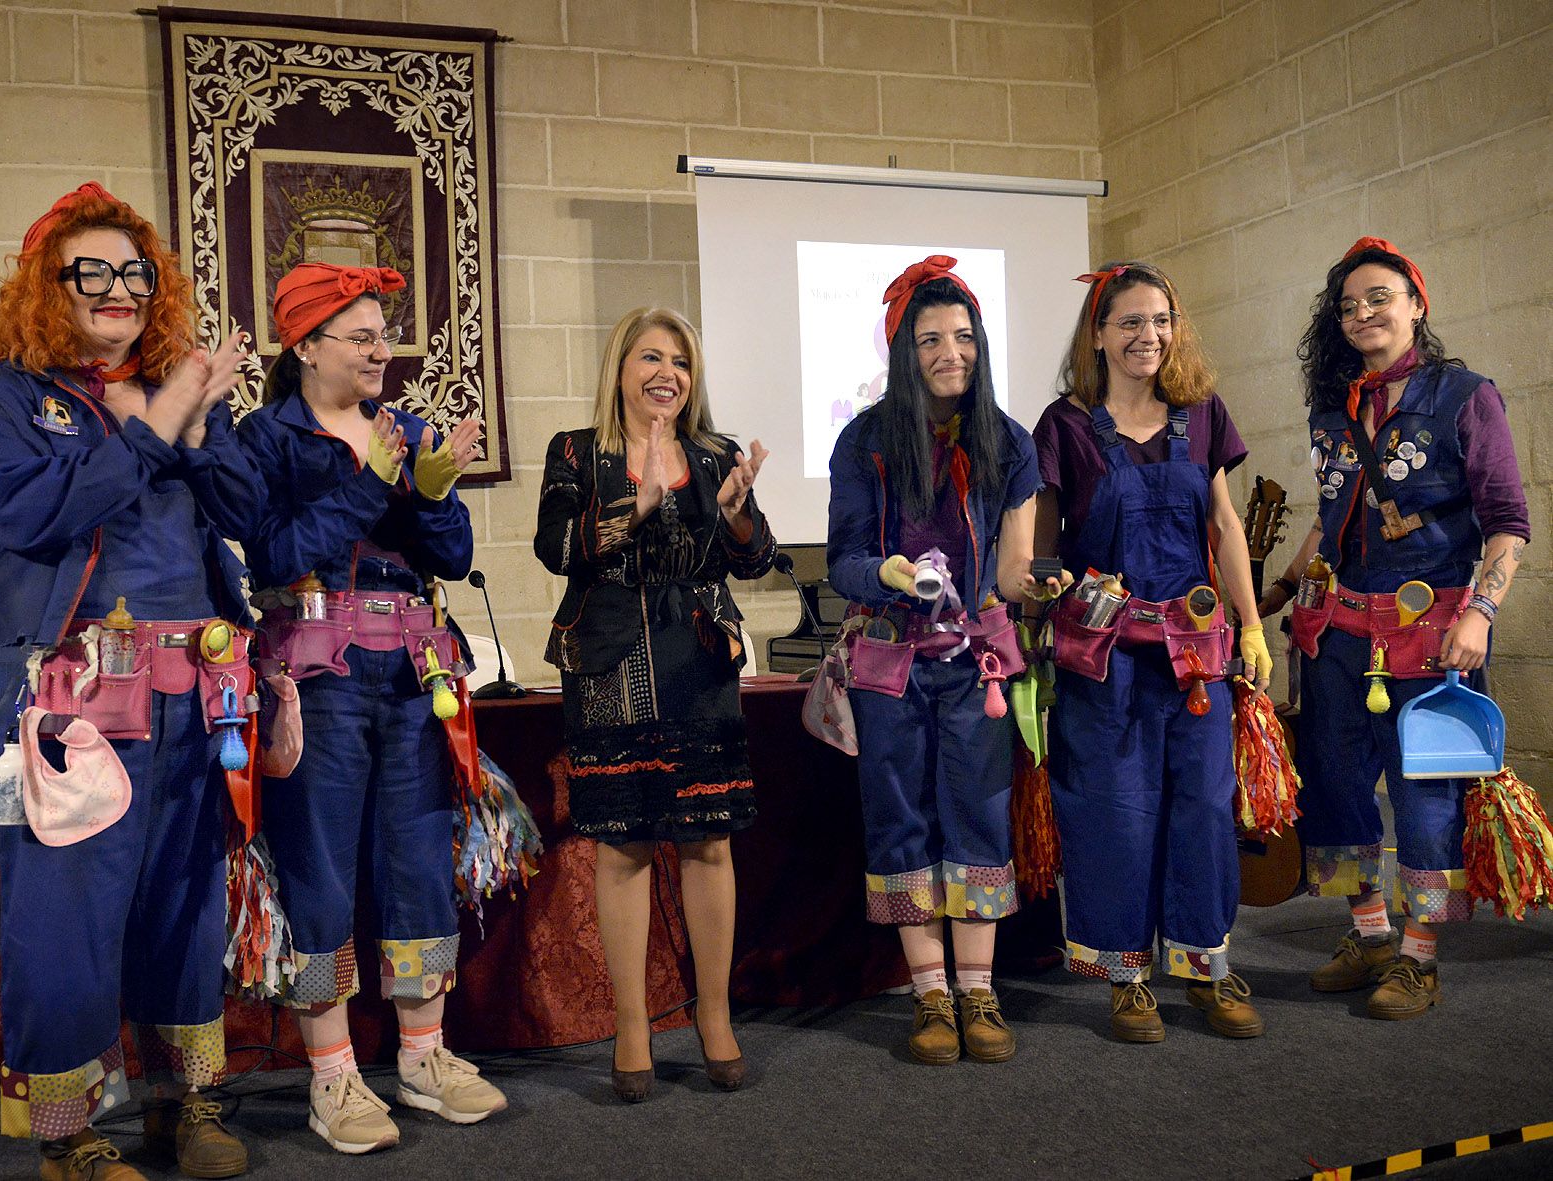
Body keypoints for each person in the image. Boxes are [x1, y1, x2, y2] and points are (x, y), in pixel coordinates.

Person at [0, 183, 257, 1181]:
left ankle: (185, 1104)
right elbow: (34, 513)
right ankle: (66, 1135)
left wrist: (198, 428)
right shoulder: (1, 398)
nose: (120, 287)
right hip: (71, 699)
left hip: (192, 690)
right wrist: (154, 422)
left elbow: (251, 512)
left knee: (184, 900)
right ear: (48, 286)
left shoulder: (178, 389)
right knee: (66, 912)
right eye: (94, 270)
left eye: (136, 271)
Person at [236, 263, 499, 1150]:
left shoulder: (406, 426)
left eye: (384, 333)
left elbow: (454, 552)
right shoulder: (268, 436)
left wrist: (424, 488)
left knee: (420, 855)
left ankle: (424, 1055)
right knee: (321, 868)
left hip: (412, 670)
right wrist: (372, 479)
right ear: (306, 347)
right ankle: (334, 1075)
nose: (381, 348)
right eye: (360, 335)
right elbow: (272, 554)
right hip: (320, 674)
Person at [1259, 237, 1530, 1018]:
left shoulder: (1465, 395)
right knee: (1337, 793)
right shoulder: (1333, 407)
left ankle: (1419, 957)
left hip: (1433, 636)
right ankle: (1371, 934)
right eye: (1347, 305)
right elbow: (1331, 515)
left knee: (1424, 802)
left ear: (1417, 303)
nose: (1361, 314)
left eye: (1378, 297)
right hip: (1337, 635)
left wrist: (1481, 611)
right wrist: (1281, 589)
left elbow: (1508, 521)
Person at [534, 306, 775, 1102]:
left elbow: (756, 557)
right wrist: (638, 502)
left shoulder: (715, 453)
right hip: (608, 661)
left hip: (698, 656)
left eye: (679, 359)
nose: (665, 371)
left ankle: (713, 1014)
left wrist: (737, 507)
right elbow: (559, 549)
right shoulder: (576, 451)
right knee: (625, 843)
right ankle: (634, 1023)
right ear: (621, 368)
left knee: (709, 837)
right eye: (649, 356)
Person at [825, 256, 1059, 1065]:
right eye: (930, 339)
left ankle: (979, 992)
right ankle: (930, 997)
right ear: (904, 349)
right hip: (890, 661)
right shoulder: (864, 440)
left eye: (962, 335)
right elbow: (843, 562)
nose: (949, 351)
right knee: (902, 822)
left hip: (978, 666)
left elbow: (1010, 571)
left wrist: (1045, 585)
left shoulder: (1011, 441)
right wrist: (886, 572)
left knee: (979, 815)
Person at [1032, 261, 1271, 1043]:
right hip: (1104, 662)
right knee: (1115, 814)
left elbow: (1226, 528)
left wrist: (1254, 625)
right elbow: (1042, 551)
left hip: (1196, 658)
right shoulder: (1063, 426)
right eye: (1130, 322)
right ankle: (1125, 975)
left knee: (1204, 806)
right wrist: (1041, 597)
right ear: (1098, 334)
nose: (1149, 335)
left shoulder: (1201, 415)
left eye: (1161, 319)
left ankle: (1205, 963)